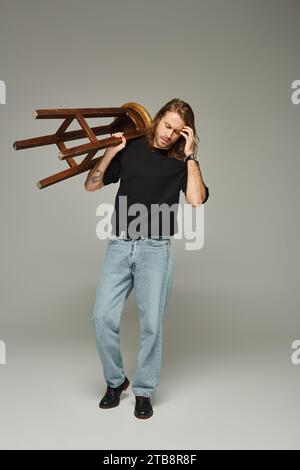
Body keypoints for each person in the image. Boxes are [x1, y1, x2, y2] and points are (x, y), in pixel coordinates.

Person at [85, 98, 209, 419]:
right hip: (120, 243)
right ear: (157, 120)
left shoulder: (181, 162)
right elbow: (91, 184)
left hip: (156, 248)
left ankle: (143, 391)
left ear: (185, 135)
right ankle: (116, 382)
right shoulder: (132, 146)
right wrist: (112, 149)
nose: (169, 134)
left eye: (178, 131)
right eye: (167, 125)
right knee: (102, 317)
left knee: (151, 324)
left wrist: (192, 155)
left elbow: (196, 201)